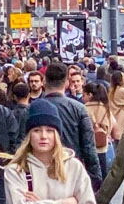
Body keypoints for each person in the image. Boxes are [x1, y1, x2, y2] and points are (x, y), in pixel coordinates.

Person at [42, 62, 103, 192]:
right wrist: (95, 179)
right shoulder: (79, 109)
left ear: (44, 81)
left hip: (41, 172)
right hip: (72, 170)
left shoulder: (32, 109)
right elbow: (89, 147)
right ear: (66, 83)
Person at [82, 82, 118, 180]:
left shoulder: (83, 109)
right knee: (102, 179)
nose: (82, 97)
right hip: (103, 149)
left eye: (83, 95)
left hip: (86, 150)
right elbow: (115, 131)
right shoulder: (106, 109)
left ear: (89, 95)